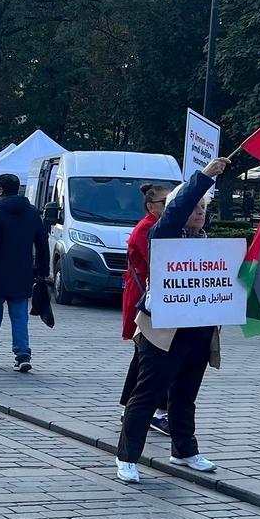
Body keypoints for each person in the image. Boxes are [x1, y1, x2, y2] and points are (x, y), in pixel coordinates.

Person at [116, 157, 231, 484]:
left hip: (199, 330)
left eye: (204, 208)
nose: (199, 212)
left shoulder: (209, 245)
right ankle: (127, 456)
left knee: (185, 395)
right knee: (148, 393)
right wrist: (205, 176)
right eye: (194, 207)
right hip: (162, 330)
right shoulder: (163, 234)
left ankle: (184, 450)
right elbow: (176, 210)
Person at [0, 174, 48, 372]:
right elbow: (42, 243)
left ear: (0, 189)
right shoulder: (32, 212)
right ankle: (22, 355)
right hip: (22, 271)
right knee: (19, 315)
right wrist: (41, 270)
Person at [121, 184, 172, 436]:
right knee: (150, 355)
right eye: (164, 203)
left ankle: (132, 407)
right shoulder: (147, 228)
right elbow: (158, 261)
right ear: (151, 206)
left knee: (145, 355)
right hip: (145, 297)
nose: (168, 206)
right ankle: (153, 411)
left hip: (150, 295)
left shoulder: (156, 225)